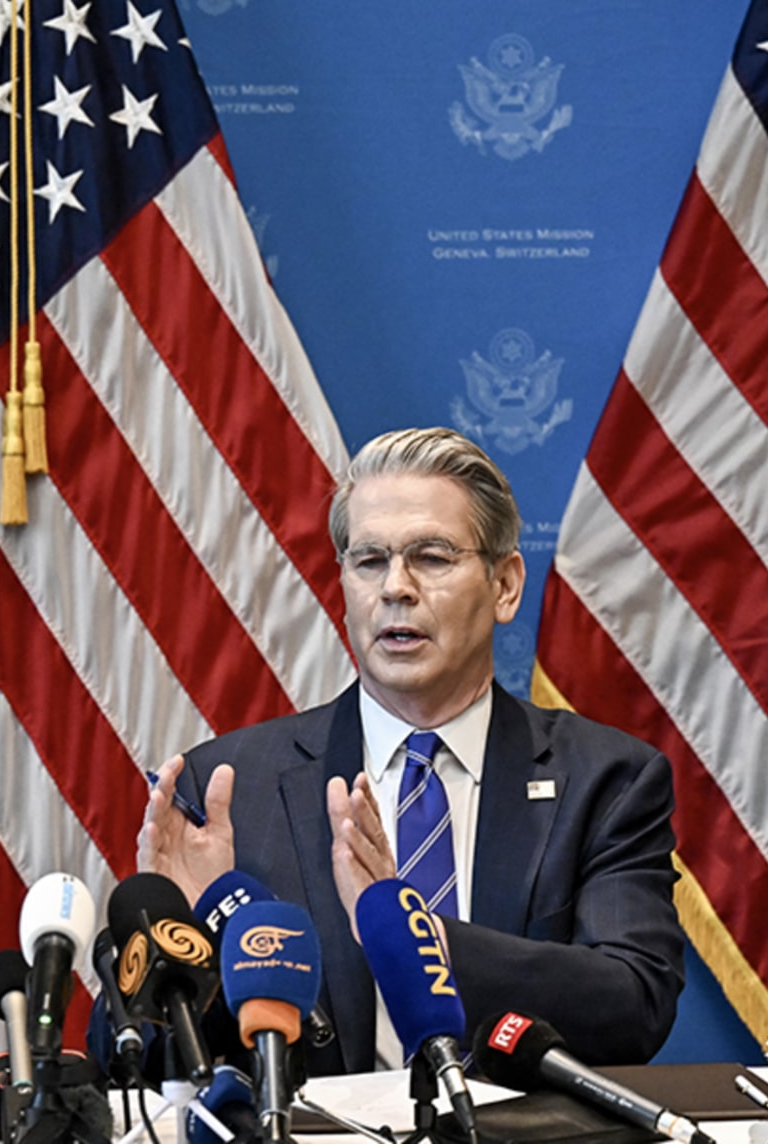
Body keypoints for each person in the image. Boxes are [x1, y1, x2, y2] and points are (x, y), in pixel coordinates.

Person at [139, 428, 682, 1073]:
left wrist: (408, 939)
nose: (395, 587)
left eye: (430, 557)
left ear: (505, 586)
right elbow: (142, 1064)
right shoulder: (233, 788)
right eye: (369, 560)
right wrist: (185, 950)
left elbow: (634, 1004)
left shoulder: (605, 780)